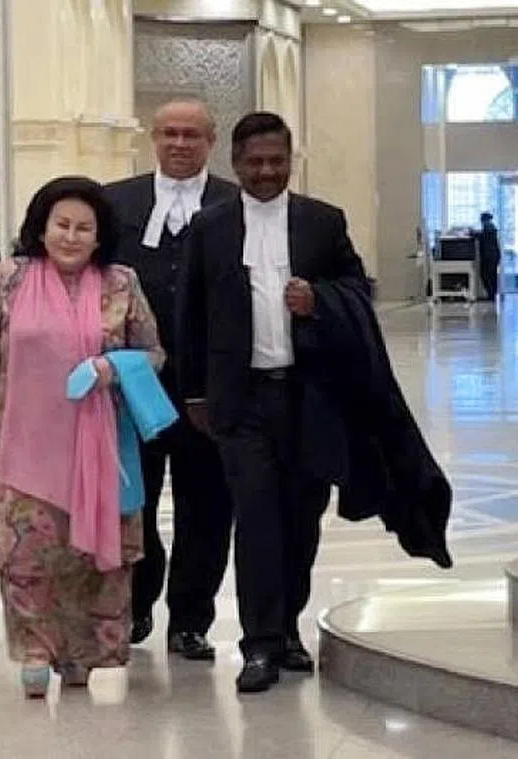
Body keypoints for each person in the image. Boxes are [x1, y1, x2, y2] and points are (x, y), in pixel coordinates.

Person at [176, 112, 368, 694]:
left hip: (308, 398)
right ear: (235, 163)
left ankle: (286, 631)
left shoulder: (323, 222)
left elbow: (359, 291)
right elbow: (190, 315)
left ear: (291, 161)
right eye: (255, 162)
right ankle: (257, 644)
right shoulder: (209, 226)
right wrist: (195, 392)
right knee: (256, 518)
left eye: (276, 161)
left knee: (301, 518)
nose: (266, 172)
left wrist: (319, 299)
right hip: (242, 401)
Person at [0, 176, 165, 698]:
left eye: (83, 228)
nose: (71, 237)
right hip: (23, 441)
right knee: (28, 555)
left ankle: (82, 654)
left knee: (90, 555)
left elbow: (153, 353)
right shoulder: (9, 278)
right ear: (41, 228)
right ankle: (35, 649)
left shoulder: (121, 283)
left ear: (99, 237)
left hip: (99, 444)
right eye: (62, 225)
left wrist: (112, 367)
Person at [103, 99, 238, 659]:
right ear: (153, 138)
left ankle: (190, 619)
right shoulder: (116, 202)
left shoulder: (234, 203)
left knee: (207, 504)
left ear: (211, 141)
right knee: (133, 498)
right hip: (135, 384)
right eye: (169, 134)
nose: (179, 144)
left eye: (191, 135)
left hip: (209, 384)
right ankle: (136, 602)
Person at [476, 212, 500, 300]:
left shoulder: (489, 227)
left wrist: (472, 233)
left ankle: (491, 295)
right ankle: (491, 294)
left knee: (487, 275)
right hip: (492, 256)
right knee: (490, 276)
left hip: (489, 256)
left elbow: (483, 236)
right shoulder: (490, 227)